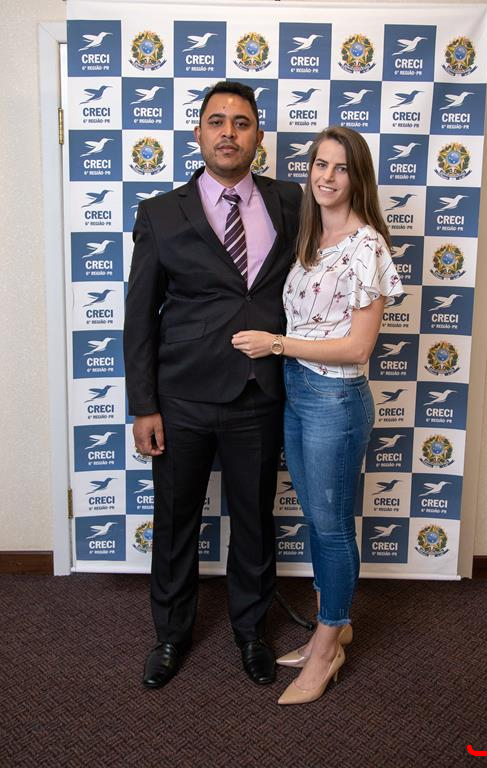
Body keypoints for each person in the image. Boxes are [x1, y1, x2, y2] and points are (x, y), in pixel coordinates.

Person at [123, 81, 302, 690]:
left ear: (258, 135)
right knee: (176, 521)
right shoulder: (160, 212)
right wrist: (144, 405)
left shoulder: (291, 202)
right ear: (198, 133)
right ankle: (171, 635)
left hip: (260, 394)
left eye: (242, 122)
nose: (229, 132)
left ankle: (252, 633)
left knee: (255, 520)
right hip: (182, 399)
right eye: (217, 121)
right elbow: (140, 316)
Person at [232, 126, 403, 704]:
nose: (327, 177)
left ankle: (328, 648)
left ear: (358, 178)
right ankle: (335, 625)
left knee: (332, 529)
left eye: (341, 167)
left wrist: (276, 344)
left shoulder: (366, 246)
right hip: (299, 392)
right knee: (317, 520)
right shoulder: (310, 237)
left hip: (335, 399)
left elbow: (358, 348)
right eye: (320, 164)